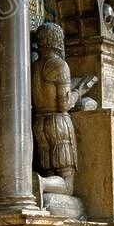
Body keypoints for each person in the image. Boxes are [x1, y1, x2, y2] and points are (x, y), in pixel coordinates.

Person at [31, 23, 79, 194]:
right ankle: (41, 183)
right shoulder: (60, 65)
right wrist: (77, 93)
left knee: (50, 170)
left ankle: (44, 183)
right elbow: (64, 104)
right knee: (67, 186)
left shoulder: (34, 67)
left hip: (39, 123)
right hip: (58, 123)